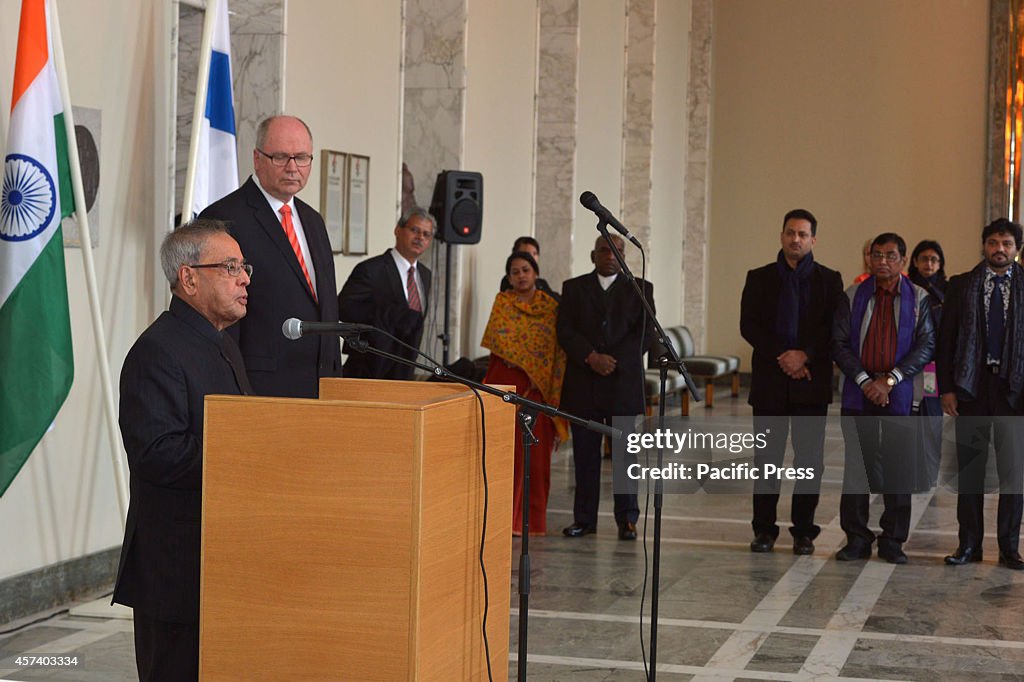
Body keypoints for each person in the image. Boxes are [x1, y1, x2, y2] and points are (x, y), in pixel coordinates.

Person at [113, 220, 253, 681]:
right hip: (176, 569)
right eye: (230, 267)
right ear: (188, 278)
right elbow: (158, 452)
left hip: (224, 557)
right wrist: (247, 461)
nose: (244, 277)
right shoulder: (157, 351)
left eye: (243, 266)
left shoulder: (222, 344)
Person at [200, 115, 340, 398]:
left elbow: (324, 306)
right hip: (260, 389)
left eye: (301, 157)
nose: (292, 167)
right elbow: (216, 317)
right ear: (257, 158)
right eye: (280, 157)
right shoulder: (224, 218)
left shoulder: (313, 221)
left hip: (322, 388)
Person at [740, 209, 843, 555]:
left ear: (813, 240)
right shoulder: (759, 277)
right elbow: (749, 326)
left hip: (811, 382)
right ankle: (764, 530)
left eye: (802, 234)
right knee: (767, 461)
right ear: (781, 236)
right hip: (770, 382)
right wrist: (784, 356)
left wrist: (805, 355)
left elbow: (833, 329)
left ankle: (803, 531)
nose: (795, 239)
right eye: (790, 233)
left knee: (809, 462)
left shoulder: (830, 281)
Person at [832, 232, 935, 564]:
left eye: (891, 256)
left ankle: (892, 540)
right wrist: (865, 381)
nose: (883, 262)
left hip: (900, 390)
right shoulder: (853, 294)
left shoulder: (918, 297)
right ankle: (857, 538)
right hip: (858, 388)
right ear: (869, 258)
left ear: (903, 261)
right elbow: (840, 343)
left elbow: (926, 344)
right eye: (877, 255)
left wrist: (890, 380)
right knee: (856, 468)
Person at [558, 235, 657, 540]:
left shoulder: (641, 289)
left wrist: (611, 361)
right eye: (605, 250)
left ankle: (627, 519)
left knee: (626, 457)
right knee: (586, 457)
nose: (611, 256)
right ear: (593, 255)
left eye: (618, 251)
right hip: (583, 383)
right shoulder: (573, 289)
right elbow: (564, 329)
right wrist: (591, 357)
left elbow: (645, 332)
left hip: (622, 382)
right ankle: (584, 519)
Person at [938, 218, 1024, 570]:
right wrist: (946, 388)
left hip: (1014, 390)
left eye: (1006, 243)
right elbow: (946, 342)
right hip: (972, 387)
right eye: (992, 243)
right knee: (970, 472)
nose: (999, 249)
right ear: (984, 246)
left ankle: (1009, 548)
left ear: (1016, 248)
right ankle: (968, 545)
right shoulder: (960, 286)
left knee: (1013, 474)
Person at [481, 251, 567, 535]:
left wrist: (535, 368)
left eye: (525, 270)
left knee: (536, 461)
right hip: (507, 385)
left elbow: (554, 349)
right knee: (508, 457)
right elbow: (499, 339)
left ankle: (532, 523)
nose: (521, 276)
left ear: (536, 273)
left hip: (538, 391)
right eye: (515, 272)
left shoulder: (551, 307)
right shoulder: (503, 302)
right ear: (508, 277)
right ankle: (506, 520)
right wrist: (521, 360)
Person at [338, 207, 434, 380]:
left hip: (405, 372)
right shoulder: (371, 270)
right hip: (368, 371)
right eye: (414, 230)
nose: (420, 238)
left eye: (426, 234)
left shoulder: (425, 275)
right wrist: (390, 315)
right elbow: (344, 308)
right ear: (398, 230)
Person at [908, 239, 948, 488]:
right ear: (914, 261)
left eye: (934, 260)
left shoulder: (949, 291)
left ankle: (928, 474)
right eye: (924, 259)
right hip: (909, 365)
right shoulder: (907, 288)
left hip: (935, 367)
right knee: (909, 419)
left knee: (932, 421)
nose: (929, 264)